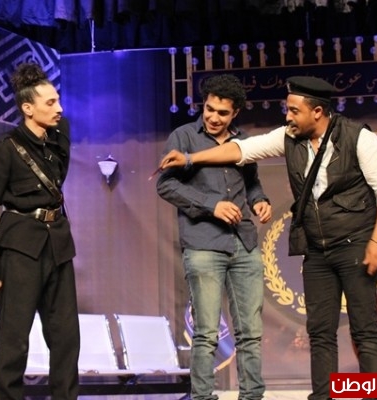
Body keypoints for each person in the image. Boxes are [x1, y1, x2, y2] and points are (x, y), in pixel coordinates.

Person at [160, 75, 377, 400]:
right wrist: (190, 158)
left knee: (366, 331)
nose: (287, 116)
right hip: (315, 252)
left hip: (355, 245)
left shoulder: (359, 138)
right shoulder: (288, 137)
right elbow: (242, 150)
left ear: (317, 112)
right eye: (287, 110)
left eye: (293, 111)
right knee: (320, 333)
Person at [0, 62, 80, 400]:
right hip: (20, 248)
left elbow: (59, 163)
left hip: (58, 244)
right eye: (50, 103)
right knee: (14, 339)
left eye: (58, 100)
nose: (59, 108)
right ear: (28, 109)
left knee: (66, 338)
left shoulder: (58, 138)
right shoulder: (5, 149)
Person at [156, 74, 271, 400]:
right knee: (206, 333)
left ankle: (252, 396)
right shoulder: (183, 136)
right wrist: (212, 205)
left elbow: (252, 182)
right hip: (203, 243)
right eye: (209, 109)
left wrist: (260, 200)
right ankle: (203, 397)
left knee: (251, 332)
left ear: (235, 113)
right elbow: (165, 184)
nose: (214, 117)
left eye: (222, 113)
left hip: (244, 242)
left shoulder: (243, 141)